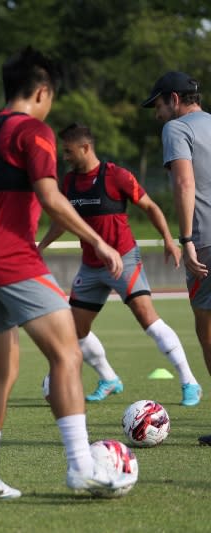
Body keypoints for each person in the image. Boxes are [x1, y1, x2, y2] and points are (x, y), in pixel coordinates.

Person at [0, 46, 134, 500]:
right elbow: (51, 197)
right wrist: (100, 240)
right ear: (42, 92)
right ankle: (80, 467)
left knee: (1, 370)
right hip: (12, 257)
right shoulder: (35, 131)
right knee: (67, 354)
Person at [38, 123, 202, 406]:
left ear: (86, 148)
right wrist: (39, 247)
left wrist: (168, 239)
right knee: (74, 331)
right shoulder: (69, 183)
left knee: (147, 318)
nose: (64, 157)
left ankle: (190, 381)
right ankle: (109, 379)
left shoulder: (117, 176)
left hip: (124, 260)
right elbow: (62, 220)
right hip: (90, 266)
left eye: (68, 151)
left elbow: (150, 207)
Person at [143, 71, 211, 444]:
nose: (156, 113)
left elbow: (185, 183)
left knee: (207, 331)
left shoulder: (176, 129)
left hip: (206, 242)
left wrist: (185, 239)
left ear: (172, 98)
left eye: (157, 105)